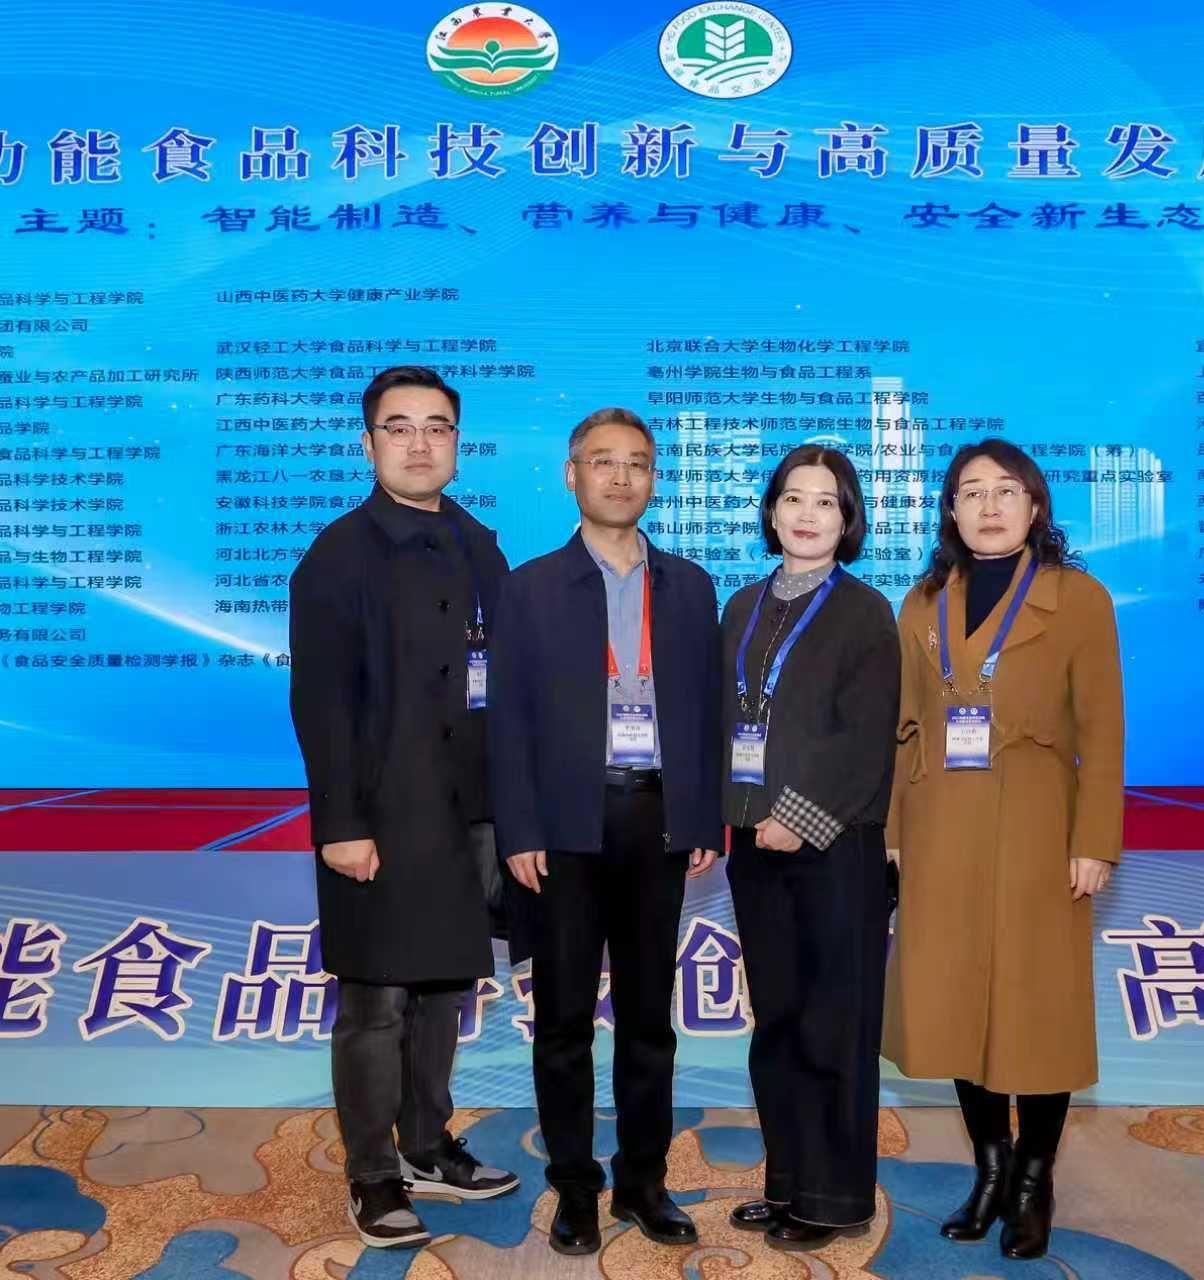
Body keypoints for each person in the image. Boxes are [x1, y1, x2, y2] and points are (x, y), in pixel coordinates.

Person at [288, 365, 521, 1250]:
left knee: (446, 989)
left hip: (469, 812)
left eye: (437, 427)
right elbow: (321, 703)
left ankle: (426, 1145)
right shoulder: (339, 555)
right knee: (377, 1002)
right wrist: (341, 825)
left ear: (458, 443)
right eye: (399, 427)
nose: (420, 444)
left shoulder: (480, 545)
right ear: (368, 444)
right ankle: (372, 1173)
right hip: (382, 815)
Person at [880, 437, 1124, 1260]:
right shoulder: (922, 601)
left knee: (1037, 1005)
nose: (989, 506)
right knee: (955, 1001)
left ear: (1035, 505)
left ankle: (1032, 1182)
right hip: (938, 822)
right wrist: (894, 833)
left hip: (1036, 824)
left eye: (1006, 490)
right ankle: (989, 1169)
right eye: (972, 492)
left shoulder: (1076, 598)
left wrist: (1094, 841)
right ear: (950, 511)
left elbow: (1102, 729)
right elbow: (902, 728)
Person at [487, 407, 723, 1257]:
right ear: (572, 475)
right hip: (563, 828)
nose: (621, 477)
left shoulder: (690, 586)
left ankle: (643, 1181)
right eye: (603, 461)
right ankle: (576, 1187)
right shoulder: (531, 587)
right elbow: (507, 720)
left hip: (657, 820)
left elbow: (707, 712)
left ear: (654, 478)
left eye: (637, 463)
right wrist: (520, 828)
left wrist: (702, 815)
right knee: (563, 1023)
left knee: (650, 1019)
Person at [718, 445, 901, 1251]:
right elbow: (726, 722)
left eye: (826, 502)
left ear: (847, 518)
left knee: (834, 1024)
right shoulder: (741, 606)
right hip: (754, 845)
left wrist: (798, 815)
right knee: (778, 1023)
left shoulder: (865, 611)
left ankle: (835, 1199)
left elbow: (866, 740)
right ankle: (789, 1182)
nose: (807, 514)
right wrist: (724, 819)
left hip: (834, 848)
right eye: (794, 497)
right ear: (771, 510)